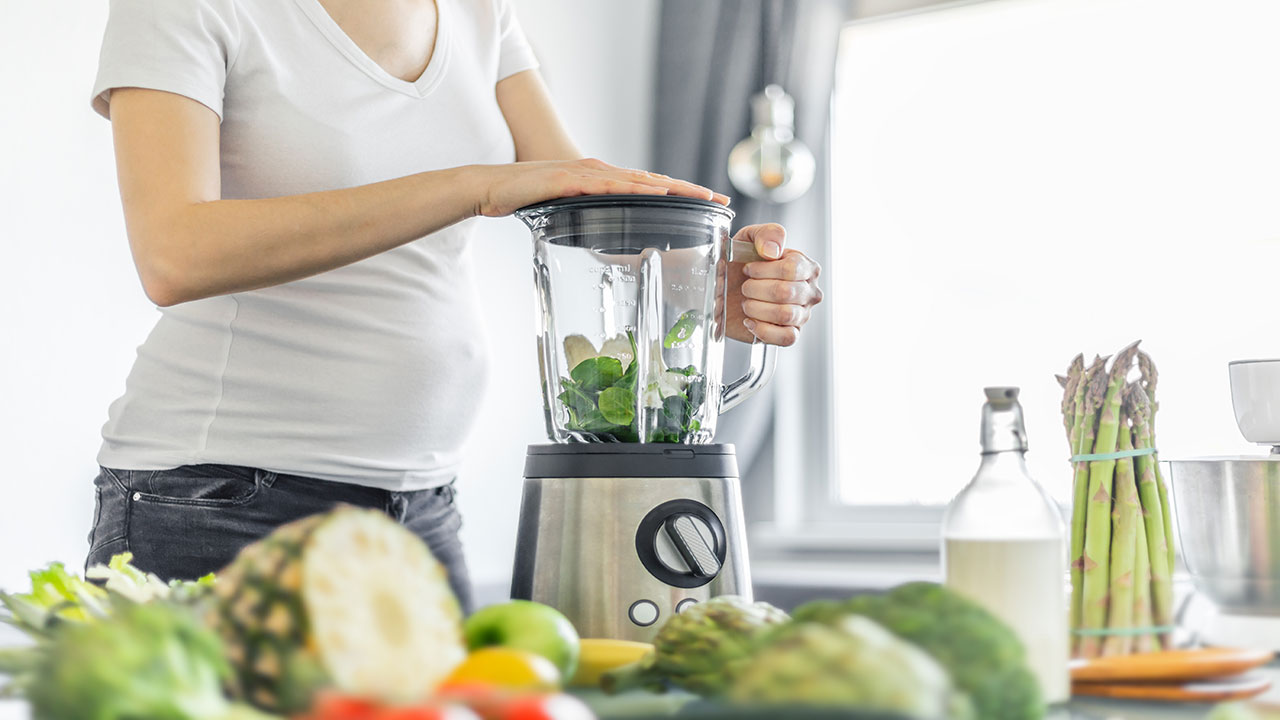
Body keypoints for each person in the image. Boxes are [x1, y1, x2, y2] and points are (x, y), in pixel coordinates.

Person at [83, 0, 824, 612]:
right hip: (219, 504)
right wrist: (470, 185)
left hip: (421, 508)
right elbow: (175, 253)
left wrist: (711, 284)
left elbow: (594, 217)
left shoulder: (481, 12)